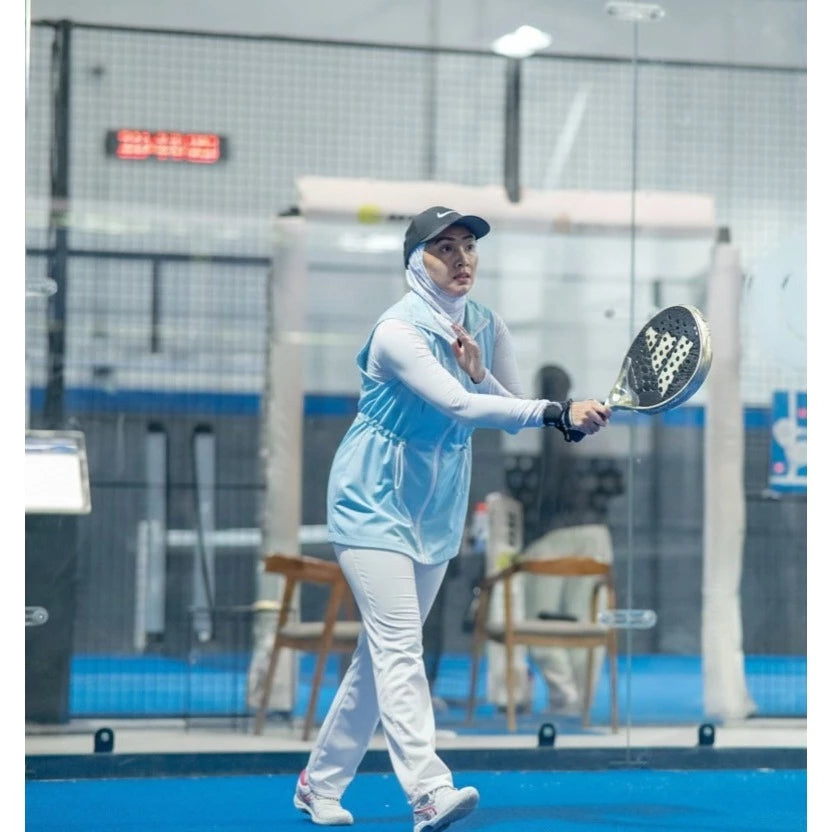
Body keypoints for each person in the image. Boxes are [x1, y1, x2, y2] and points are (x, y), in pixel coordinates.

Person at [293, 206, 611, 830]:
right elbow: (462, 404)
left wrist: (550, 410)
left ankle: (318, 783)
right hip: (370, 499)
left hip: (436, 505)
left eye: (469, 246)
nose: (462, 258)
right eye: (445, 248)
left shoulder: (489, 326)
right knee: (400, 645)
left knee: (377, 656)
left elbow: (506, 402)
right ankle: (428, 791)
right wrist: (558, 411)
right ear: (417, 261)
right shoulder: (397, 331)